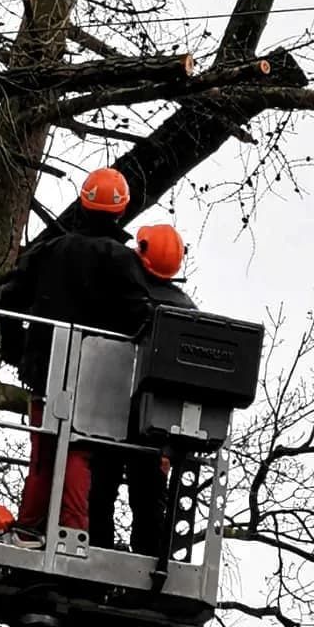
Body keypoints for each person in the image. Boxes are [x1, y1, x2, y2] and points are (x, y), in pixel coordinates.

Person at [0, 167, 152, 542]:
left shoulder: (49, 251)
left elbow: (9, 297)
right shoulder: (122, 260)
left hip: (43, 371)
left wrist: (15, 350)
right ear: (120, 211)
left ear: (82, 204)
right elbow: (140, 317)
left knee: (44, 453)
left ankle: (31, 527)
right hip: (95, 377)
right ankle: (71, 531)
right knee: (79, 451)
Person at [89, 223, 196, 557]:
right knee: (149, 495)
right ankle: (150, 561)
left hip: (109, 406)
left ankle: (96, 554)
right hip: (157, 419)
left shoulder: (123, 294)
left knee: (101, 489)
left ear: (142, 252)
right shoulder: (185, 310)